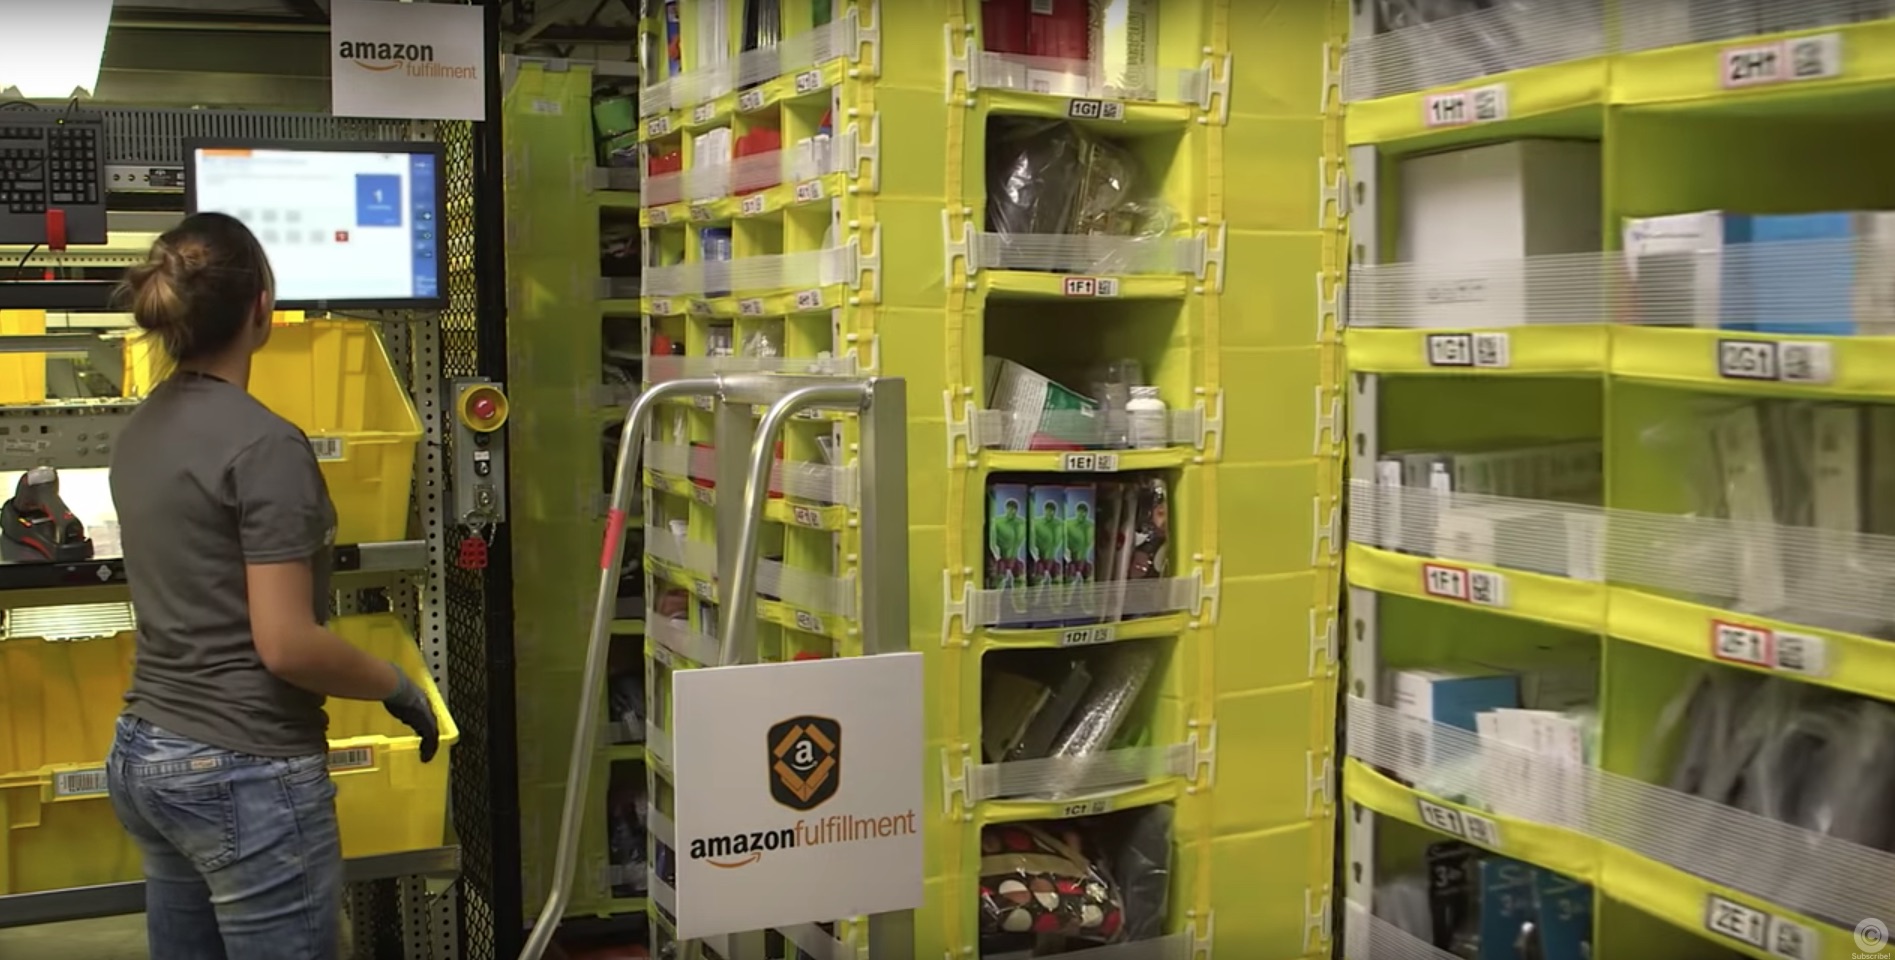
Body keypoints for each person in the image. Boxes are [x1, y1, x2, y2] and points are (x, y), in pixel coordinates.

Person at [105, 212, 439, 960]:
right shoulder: (265, 446)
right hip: (240, 767)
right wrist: (395, 684)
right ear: (263, 307)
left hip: (146, 756)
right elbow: (287, 645)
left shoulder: (140, 430)